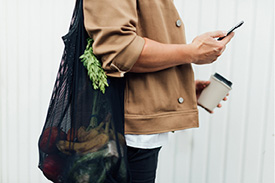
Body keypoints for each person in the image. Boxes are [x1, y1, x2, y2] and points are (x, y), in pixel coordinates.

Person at [83, 0, 234, 182]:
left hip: (133, 133)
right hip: (124, 137)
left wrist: (178, 87)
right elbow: (121, 51)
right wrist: (193, 52)